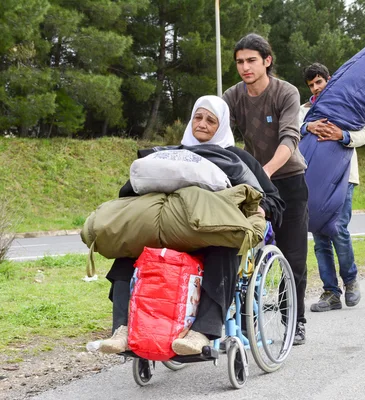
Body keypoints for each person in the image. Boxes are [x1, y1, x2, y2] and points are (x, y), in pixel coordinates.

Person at [98, 95, 284, 356]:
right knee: (127, 255)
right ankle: (122, 329)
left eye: (211, 120)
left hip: (211, 236)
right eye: (198, 117)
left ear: (221, 126)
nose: (202, 124)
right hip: (168, 233)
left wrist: (259, 210)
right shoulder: (169, 156)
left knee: (223, 250)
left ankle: (203, 331)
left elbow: (274, 199)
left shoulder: (238, 159)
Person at [222, 33, 309, 345]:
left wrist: (265, 172)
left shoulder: (285, 92)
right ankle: (248, 319)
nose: (245, 67)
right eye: (240, 62)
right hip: (253, 184)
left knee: (293, 257)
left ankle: (295, 321)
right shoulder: (232, 96)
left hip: (288, 181)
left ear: (267, 61)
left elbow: (290, 138)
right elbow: (217, 133)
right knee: (245, 254)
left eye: (251, 61)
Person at [299, 63, 365, 312]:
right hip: (313, 178)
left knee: (338, 228)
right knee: (319, 235)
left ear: (329, 80)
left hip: (344, 177)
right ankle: (330, 293)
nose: (316, 88)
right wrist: (307, 126)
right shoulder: (305, 110)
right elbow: (291, 131)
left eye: (319, 82)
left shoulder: (348, 102)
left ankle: (350, 280)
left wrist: (343, 135)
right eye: (311, 85)